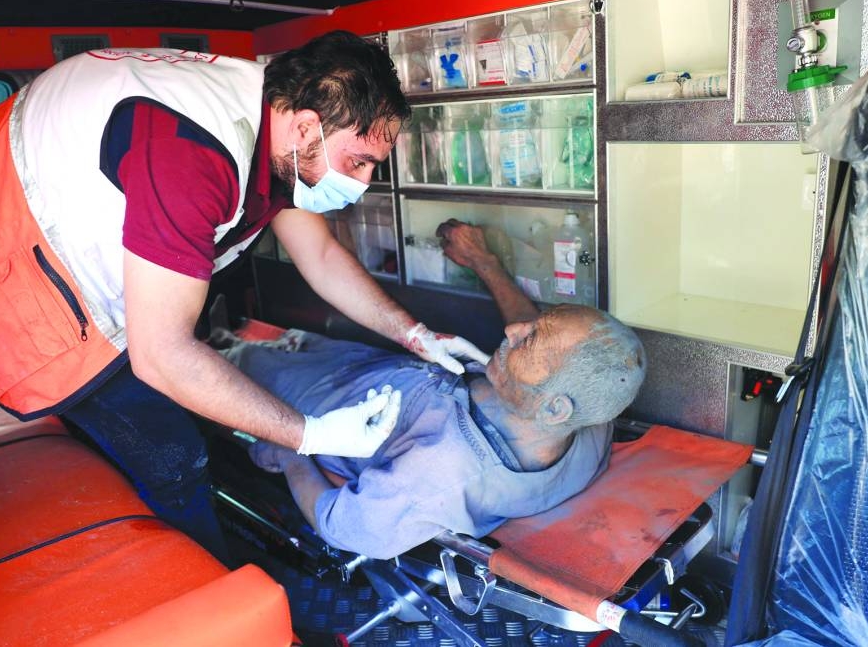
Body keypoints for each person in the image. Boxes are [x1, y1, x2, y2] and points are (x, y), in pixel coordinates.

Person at [0, 33, 488, 560]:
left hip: (42, 238)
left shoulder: (274, 127)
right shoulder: (196, 149)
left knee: (168, 417)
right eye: (358, 163)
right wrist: (311, 436)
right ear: (307, 126)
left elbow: (323, 258)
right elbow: (163, 355)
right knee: (172, 453)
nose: (361, 185)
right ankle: (201, 586)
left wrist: (417, 336)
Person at [231, 220, 647, 558]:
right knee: (295, 344)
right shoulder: (585, 418)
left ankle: (228, 345)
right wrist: (484, 263)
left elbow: (342, 527)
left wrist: (291, 452)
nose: (513, 330)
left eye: (530, 339)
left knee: (238, 362)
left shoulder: (440, 477)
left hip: (322, 404)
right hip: (374, 365)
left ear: (555, 409)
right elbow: (553, 344)